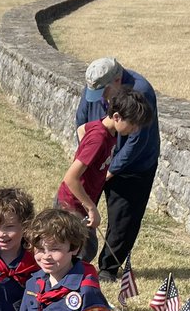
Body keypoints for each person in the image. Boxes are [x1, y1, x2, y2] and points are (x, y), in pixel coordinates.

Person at [76, 57, 160, 281]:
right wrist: (88, 157)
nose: (101, 98)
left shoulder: (141, 91)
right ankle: (76, 261)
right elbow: (81, 120)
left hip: (133, 166)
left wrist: (107, 170)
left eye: (105, 92)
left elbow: (137, 142)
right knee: (82, 208)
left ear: (117, 80)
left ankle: (108, 268)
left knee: (123, 218)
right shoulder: (96, 82)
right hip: (100, 158)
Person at [57, 86, 153, 265]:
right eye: (132, 124)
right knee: (81, 249)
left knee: (85, 246)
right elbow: (70, 178)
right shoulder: (99, 139)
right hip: (72, 203)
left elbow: (82, 129)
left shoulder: (107, 129)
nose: (134, 129)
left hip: (82, 201)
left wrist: (81, 152)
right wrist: (91, 208)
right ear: (117, 117)